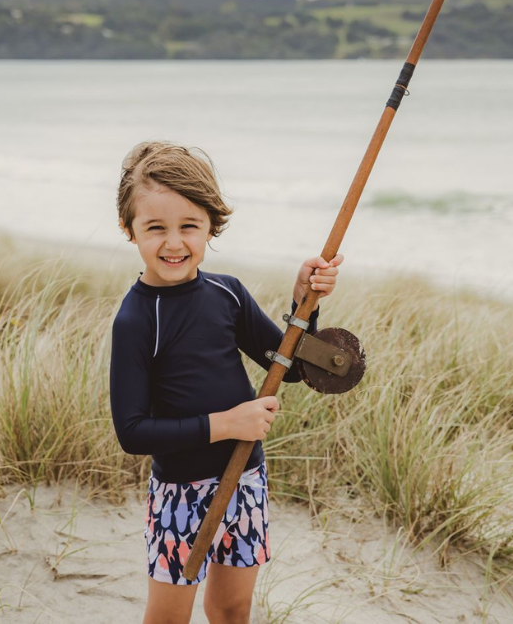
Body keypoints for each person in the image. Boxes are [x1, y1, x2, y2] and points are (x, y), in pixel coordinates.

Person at [109, 141, 343, 624]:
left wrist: (306, 303)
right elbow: (132, 431)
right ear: (128, 230)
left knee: (232, 609)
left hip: (246, 480)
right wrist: (228, 423)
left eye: (189, 227)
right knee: (169, 618)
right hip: (179, 494)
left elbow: (293, 367)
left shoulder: (227, 293)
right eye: (156, 228)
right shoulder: (135, 319)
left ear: (211, 226)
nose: (174, 243)